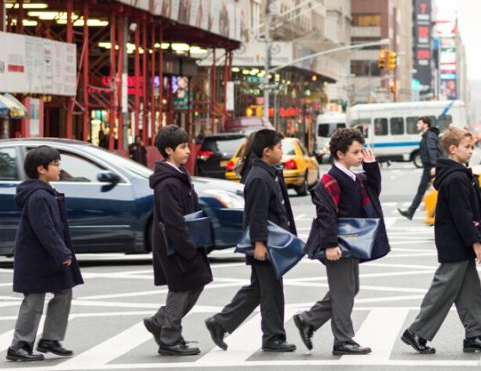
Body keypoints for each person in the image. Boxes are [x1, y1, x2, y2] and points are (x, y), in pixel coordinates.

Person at [402, 126, 481, 354]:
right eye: (467, 147)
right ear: (453, 149)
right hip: (456, 242)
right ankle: (416, 332)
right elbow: (462, 214)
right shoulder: (455, 177)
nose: (471, 151)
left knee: (470, 291)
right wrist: (476, 242)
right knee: (443, 288)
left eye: (471, 147)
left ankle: (475, 335)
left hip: (457, 241)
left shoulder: (456, 174)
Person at [294, 127, 389, 355]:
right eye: (356, 152)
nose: (360, 156)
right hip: (338, 244)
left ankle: (308, 320)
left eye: (361, 151)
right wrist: (330, 245)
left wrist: (371, 166)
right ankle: (343, 340)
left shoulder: (353, 176)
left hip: (351, 241)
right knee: (344, 291)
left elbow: (374, 190)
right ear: (340, 154)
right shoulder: (331, 180)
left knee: (350, 288)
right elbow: (326, 214)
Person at [206, 128, 298, 353]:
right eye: (279, 148)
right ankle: (273, 337)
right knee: (271, 291)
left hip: (270, 242)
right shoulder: (259, 177)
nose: (282, 151)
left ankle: (221, 322)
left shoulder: (267, 172)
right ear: (267, 151)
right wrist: (259, 243)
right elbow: (257, 213)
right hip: (266, 244)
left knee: (258, 289)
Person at [8, 144, 81, 362]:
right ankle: (19, 346)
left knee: (64, 291)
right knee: (34, 300)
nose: (59, 168)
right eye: (55, 164)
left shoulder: (45, 192)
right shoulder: (38, 196)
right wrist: (62, 253)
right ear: (41, 169)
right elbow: (45, 229)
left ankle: (50, 338)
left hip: (46, 255)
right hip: (36, 257)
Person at [144, 125, 211, 356]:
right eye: (183, 147)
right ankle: (169, 339)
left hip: (185, 241)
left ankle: (161, 321)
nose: (188, 151)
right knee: (181, 288)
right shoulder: (167, 182)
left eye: (187, 146)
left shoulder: (179, 175)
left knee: (196, 282)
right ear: (168, 150)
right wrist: (187, 247)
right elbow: (173, 220)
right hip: (174, 244)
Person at [399, 116, 441, 219]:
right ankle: (410, 212)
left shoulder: (429, 136)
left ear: (425, 125)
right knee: (422, 190)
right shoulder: (427, 136)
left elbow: (432, 150)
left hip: (431, 168)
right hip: (429, 167)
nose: (417, 125)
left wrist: (434, 166)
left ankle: (412, 212)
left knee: (433, 189)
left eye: (419, 123)